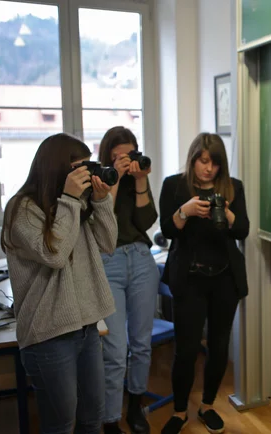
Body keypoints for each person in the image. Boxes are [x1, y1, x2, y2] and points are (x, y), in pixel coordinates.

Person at [1, 133, 117, 434]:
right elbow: (53, 254)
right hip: (48, 334)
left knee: (93, 417)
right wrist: (69, 200)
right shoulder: (21, 209)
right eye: (78, 168)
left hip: (86, 328)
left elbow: (108, 243)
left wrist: (101, 200)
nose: (86, 175)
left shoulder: (76, 205)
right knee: (61, 425)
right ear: (56, 169)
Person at [159, 133, 250, 434]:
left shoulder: (233, 187)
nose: (209, 169)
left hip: (224, 279)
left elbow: (243, 231)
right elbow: (168, 230)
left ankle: (208, 405)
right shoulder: (174, 185)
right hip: (189, 280)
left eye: (215, 163)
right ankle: (180, 410)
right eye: (204, 161)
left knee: (219, 346)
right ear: (193, 158)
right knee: (186, 350)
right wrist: (186, 211)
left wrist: (226, 211)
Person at [98, 127, 160, 434]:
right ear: (108, 156)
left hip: (141, 260)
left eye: (130, 154)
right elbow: (101, 221)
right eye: (118, 156)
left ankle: (136, 406)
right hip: (108, 262)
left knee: (141, 343)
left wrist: (140, 178)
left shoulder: (137, 180)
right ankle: (110, 419)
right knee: (114, 348)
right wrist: (115, 178)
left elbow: (147, 221)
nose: (125, 160)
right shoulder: (97, 182)